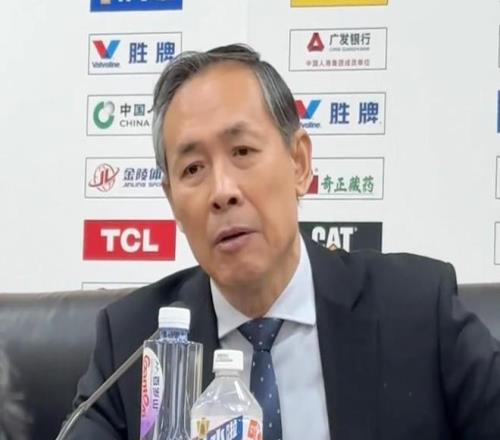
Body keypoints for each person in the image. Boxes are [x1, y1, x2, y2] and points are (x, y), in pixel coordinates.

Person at [68, 44, 500, 439]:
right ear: (172, 202)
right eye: (193, 169)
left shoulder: (417, 310)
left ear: (299, 163)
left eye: (242, 152)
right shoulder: (133, 344)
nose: (222, 191)